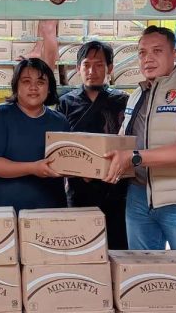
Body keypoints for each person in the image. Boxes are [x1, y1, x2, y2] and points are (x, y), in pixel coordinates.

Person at [105, 26, 176, 313]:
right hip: (139, 199)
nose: (148, 58)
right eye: (142, 52)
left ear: (175, 54)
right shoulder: (136, 95)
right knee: (146, 281)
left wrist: (132, 158)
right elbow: (124, 141)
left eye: (157, 51)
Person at [57, 40, 129, 249]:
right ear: (78, 68)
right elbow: (59, 146)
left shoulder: (123, 101)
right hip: (79, 189)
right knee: (81, 246)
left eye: (99, 65)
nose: (92, 71)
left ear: (110, 68)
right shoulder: (65, 102)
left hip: (116, 188)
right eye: (86, 65)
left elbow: (130, 142)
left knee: (117, 248)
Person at [0, 58, 69, 213]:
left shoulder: (60, 121)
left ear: (49, 88)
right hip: (6, 212)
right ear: (16, 86)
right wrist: (33, 168)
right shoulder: (0, 114)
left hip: (50, 211)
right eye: (26, 81)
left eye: (40, 82)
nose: (33, 87)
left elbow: (67, 164)